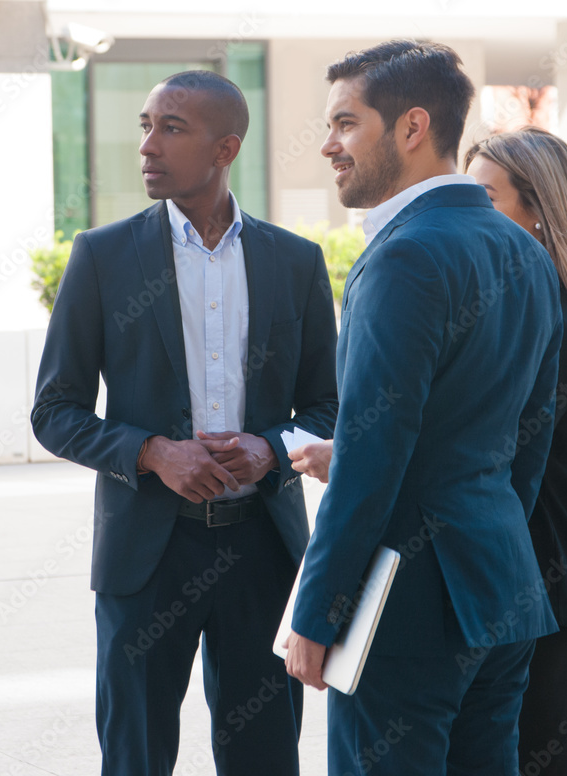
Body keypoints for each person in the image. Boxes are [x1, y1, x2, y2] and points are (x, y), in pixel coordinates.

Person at [31, 69, 338, 776]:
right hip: (146, 557)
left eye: (171, 128)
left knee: (264, 758)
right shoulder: (101, 258)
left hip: (264, 549)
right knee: (134, 757)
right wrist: (151, 453)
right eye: (144, 125)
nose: (146, 145)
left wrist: (272, 447)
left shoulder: (295, 262)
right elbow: (55, 412)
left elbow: (330, 404)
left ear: (225, 147)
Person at [283, 39, 564, 776]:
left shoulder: (406, 255)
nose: (327, 145)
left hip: (406, 610)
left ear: (411, 128)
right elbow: (529, 448)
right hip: (505, 586)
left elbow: (372, 456)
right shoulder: (525, 252)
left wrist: (315, 615)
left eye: (346, 124)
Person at [465, 127, 567, 776]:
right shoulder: (557, 303)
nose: (468, 216)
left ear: (538, 210)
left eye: (484, 198)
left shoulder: (557, 316)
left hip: (553, 583)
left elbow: (505, 447)